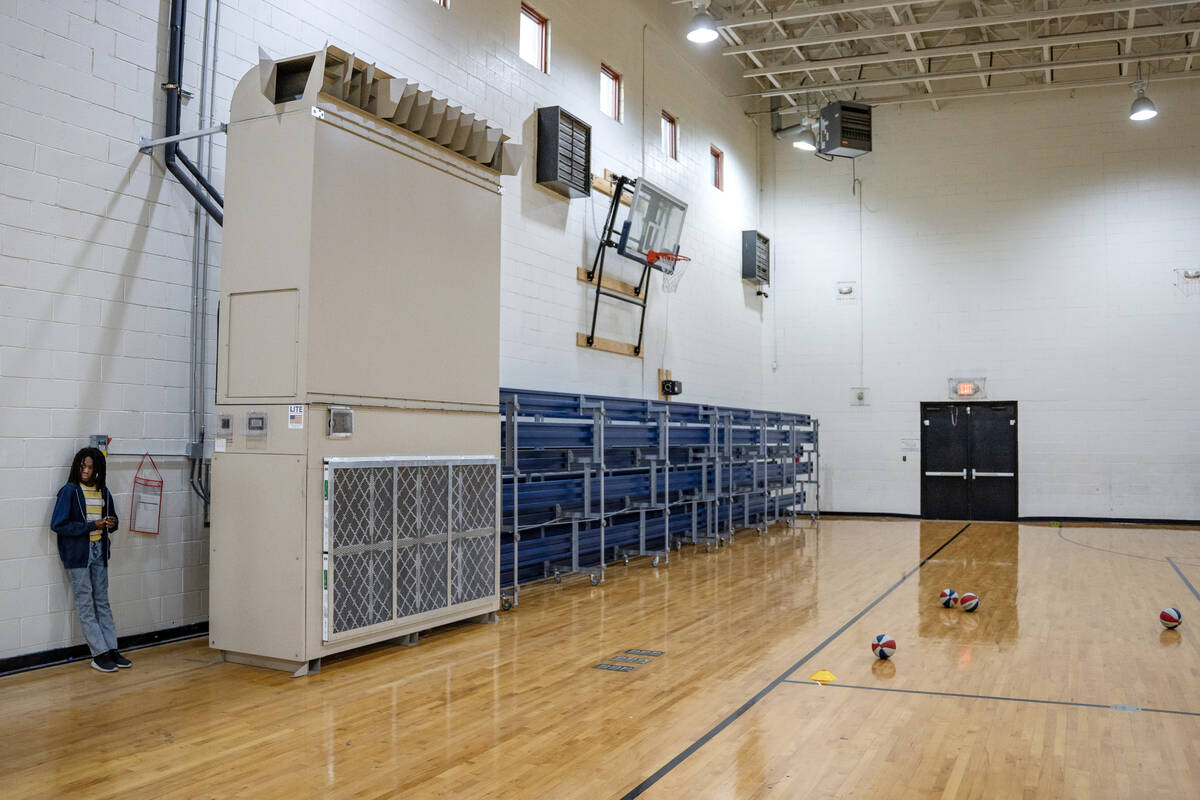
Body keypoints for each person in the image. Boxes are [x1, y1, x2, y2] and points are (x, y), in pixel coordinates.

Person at [50, 447, 132, 673]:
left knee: (102, 601)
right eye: (82, 466)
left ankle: (111, 648)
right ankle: (99, 653)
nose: (85, 471)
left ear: (98, 470)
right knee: (85, 602)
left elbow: (113, 521)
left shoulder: (103, 492)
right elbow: (58, 525)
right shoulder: (69, 491)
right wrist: (91, 525)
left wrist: (111, 523)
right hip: (78, 554)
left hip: (98, 552)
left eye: (90, 467)